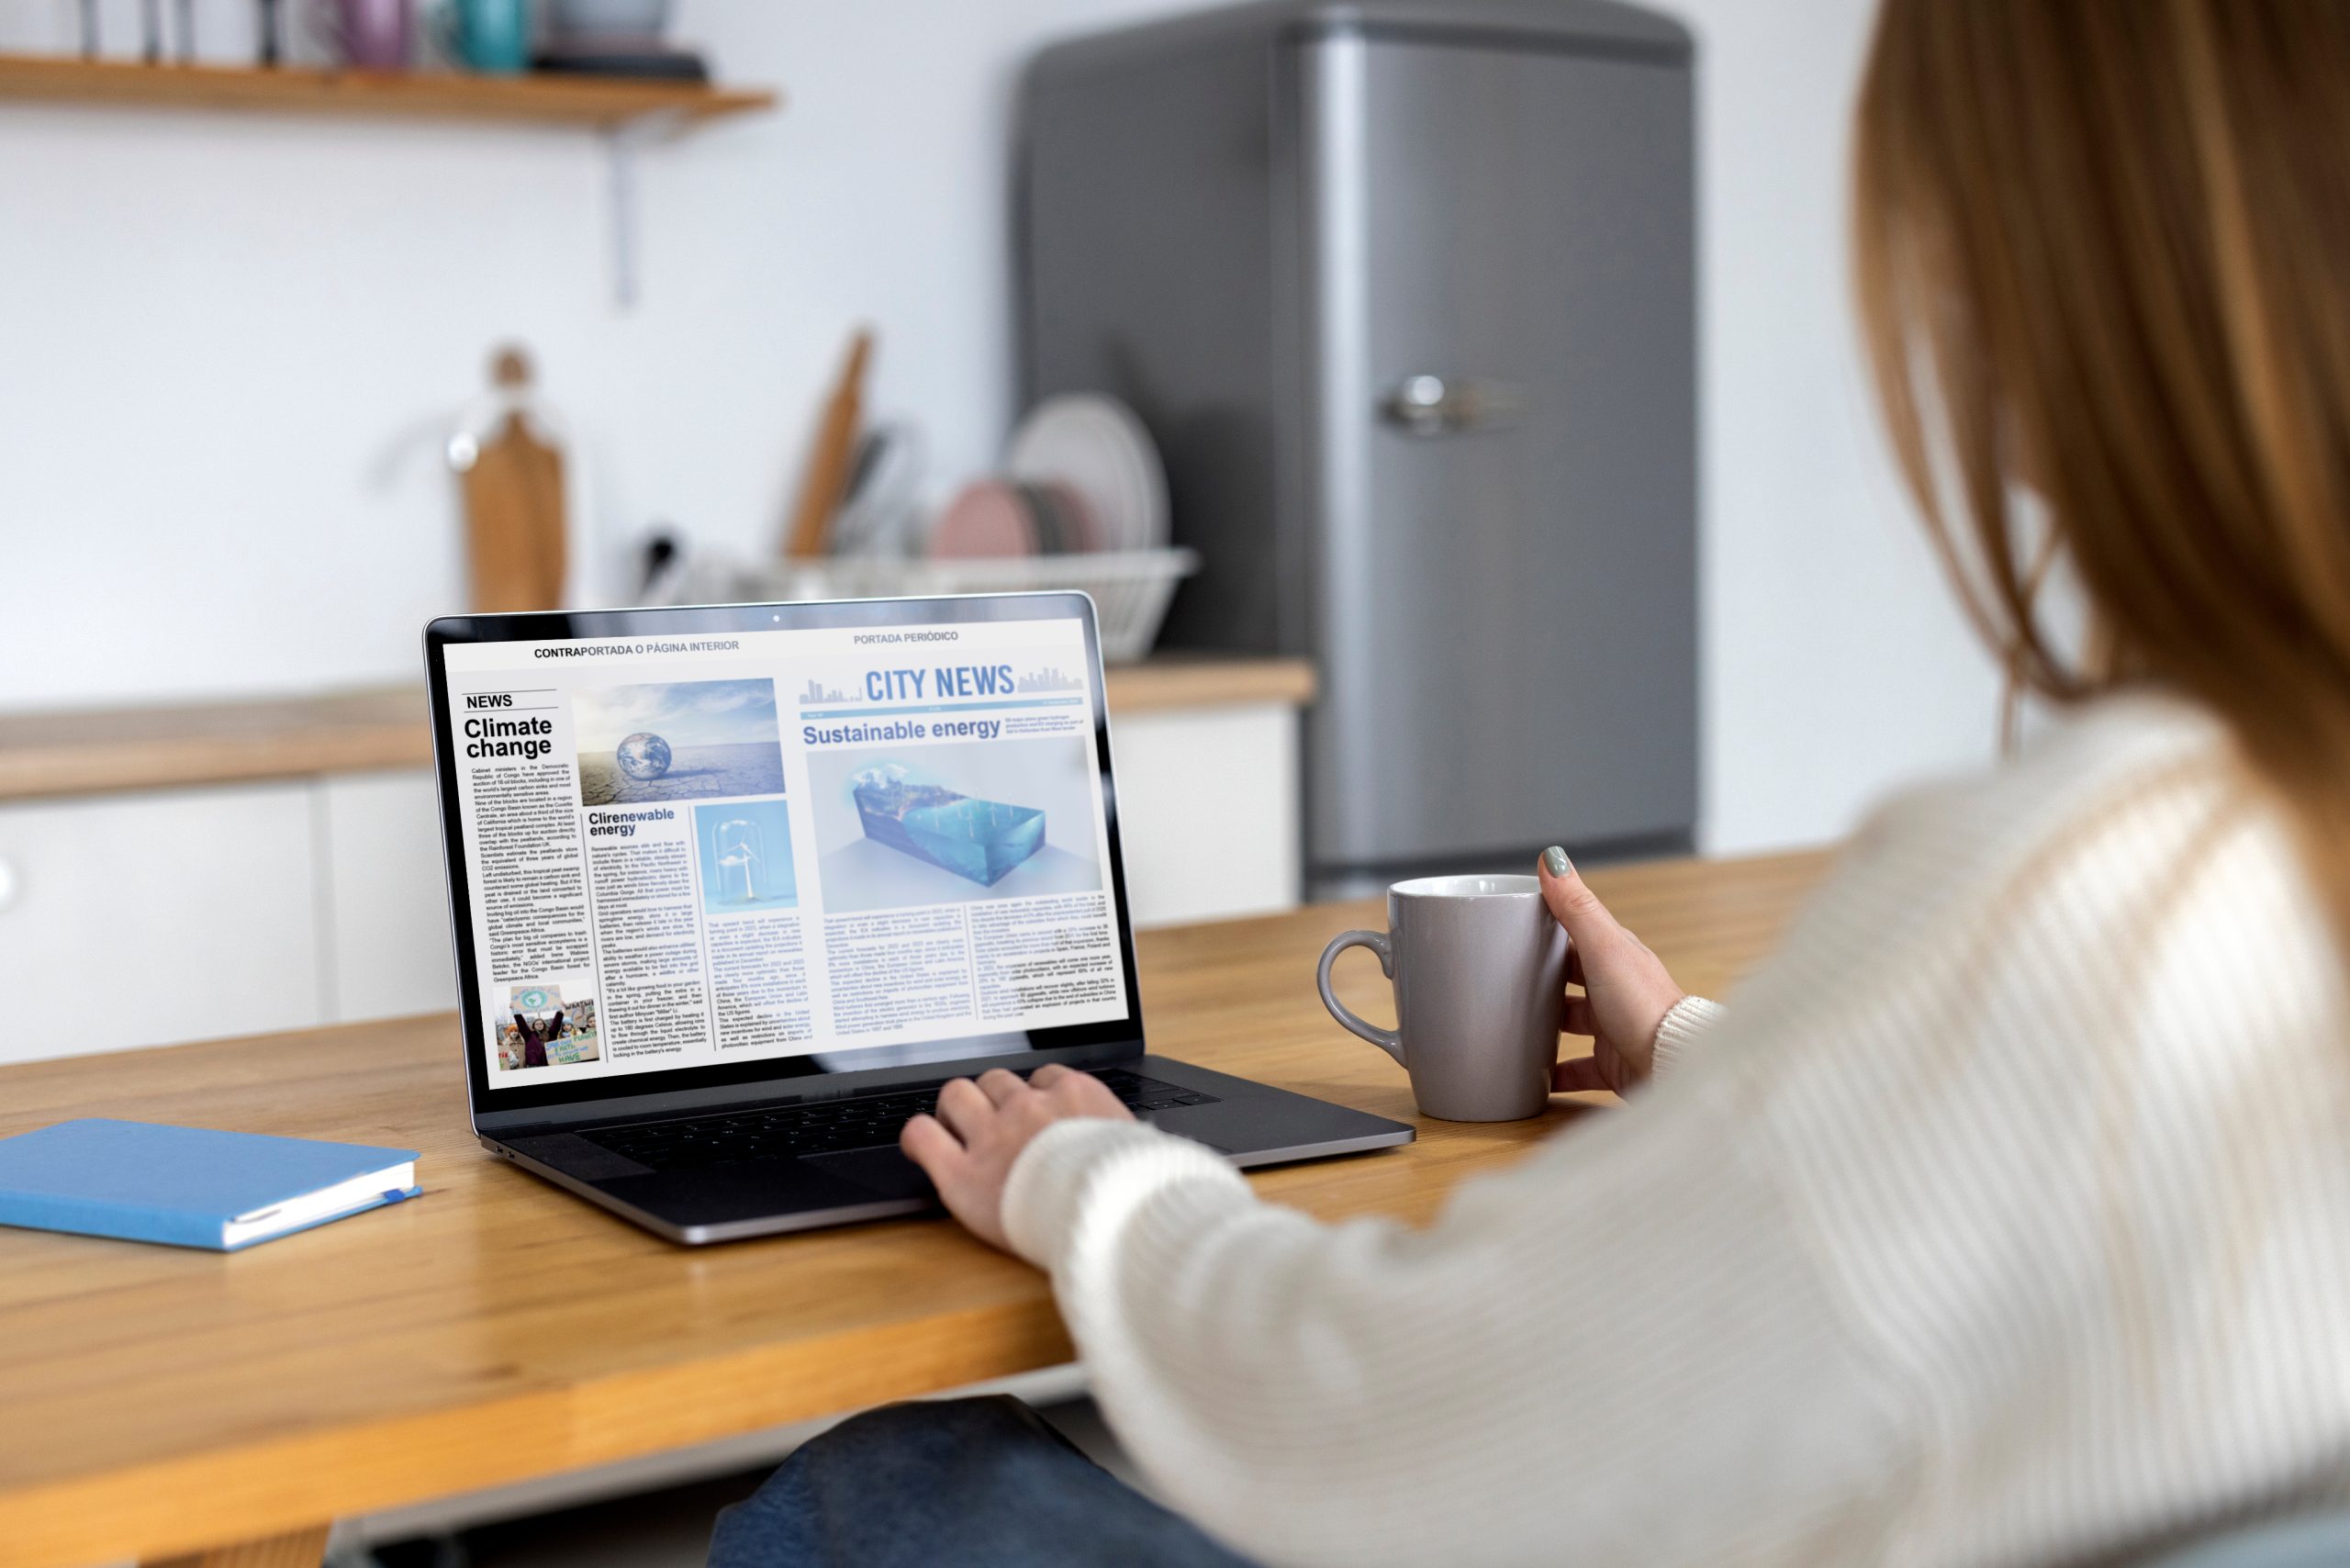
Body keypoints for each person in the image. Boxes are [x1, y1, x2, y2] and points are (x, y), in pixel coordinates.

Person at [710, 2, 2350, 1563]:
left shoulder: (2085, 885)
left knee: (887, 1485)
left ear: (2038, 262)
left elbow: (1394, 1423)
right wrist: (1719, 1069)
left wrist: (1086, 1175)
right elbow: (1970, 1214)